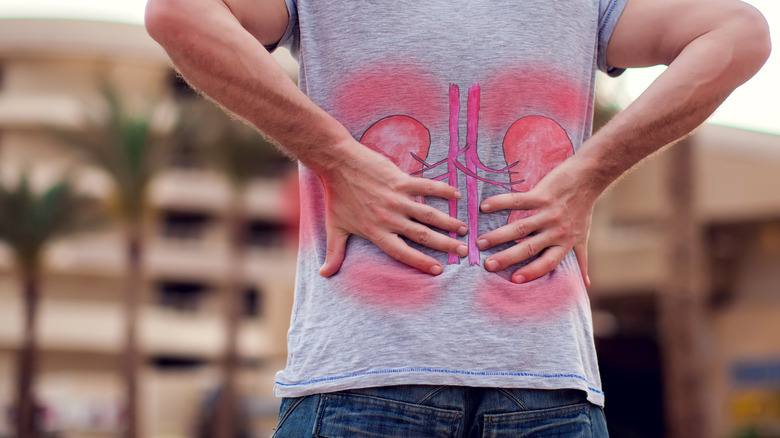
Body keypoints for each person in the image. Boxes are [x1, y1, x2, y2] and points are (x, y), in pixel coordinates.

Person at [145, 0, 770, 435]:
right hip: (462, 379)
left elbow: (739, 32)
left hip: (495, 381)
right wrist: (338, 159)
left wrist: (587, 176)